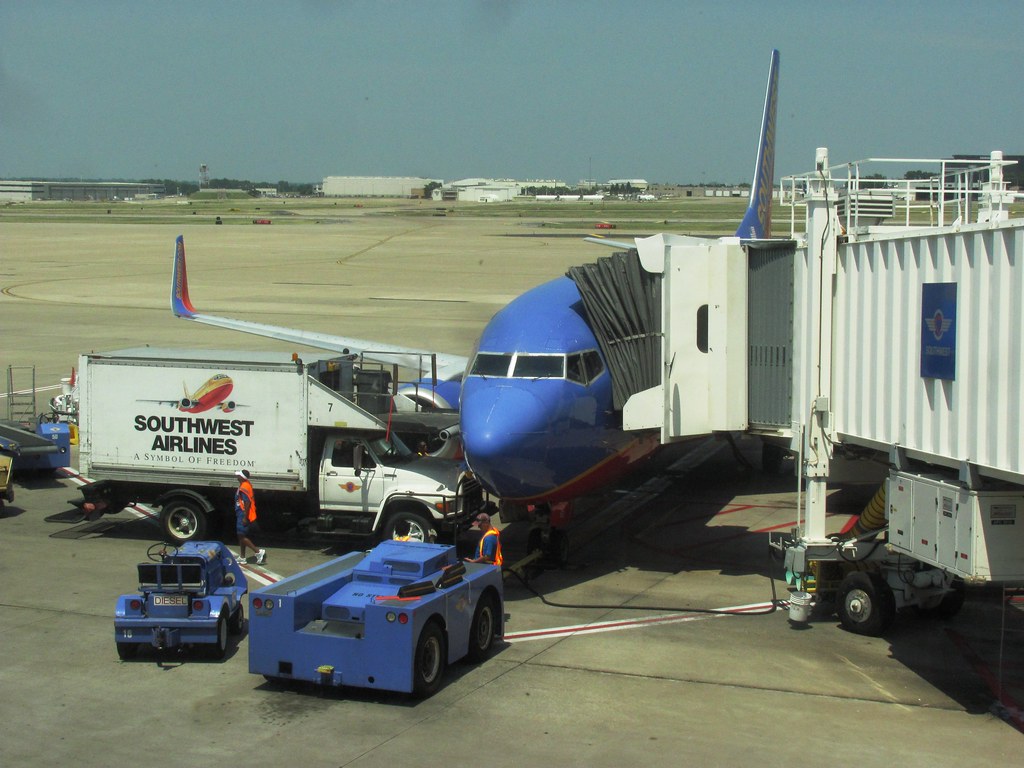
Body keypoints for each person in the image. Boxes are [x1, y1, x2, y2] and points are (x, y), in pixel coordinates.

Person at [234, 469, 265, 564]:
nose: (237, 476)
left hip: (243, 514)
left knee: (241, 536)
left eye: (238, 475)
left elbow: (247, 502)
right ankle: (242, 557)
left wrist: (244, 517)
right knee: (241, 536)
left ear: (242, 477)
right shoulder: (245, 484)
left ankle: (258, 552)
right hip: (241, 513)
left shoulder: (244, 487)